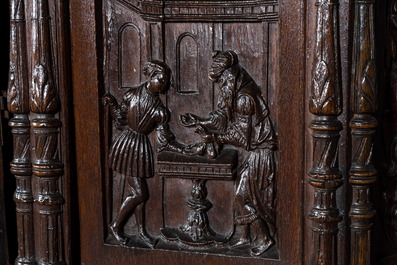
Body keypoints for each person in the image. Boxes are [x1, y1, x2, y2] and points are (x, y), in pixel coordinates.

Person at [180, 51, 277, 256]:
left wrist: (215, 139)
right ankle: (245, 236)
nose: (221, 87)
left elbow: (242, 138)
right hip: (255, 154)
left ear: (230, 76)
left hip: (261, 154)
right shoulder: (236, 88)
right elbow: (222, 118)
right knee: (241, 193)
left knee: (242, 195)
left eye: (222, 81)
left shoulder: (244, 98)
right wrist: (199, 121)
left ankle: (265, 238)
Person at [103, 60, 186, 248]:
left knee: (139, 193)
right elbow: (121, 118)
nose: (164, 85)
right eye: (161, 80)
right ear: (151, 76)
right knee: (140, 193)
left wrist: (183, 149)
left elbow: (165, 139)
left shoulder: (160, 111)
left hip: (140, 148)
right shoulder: (131, 95)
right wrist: (111, 104)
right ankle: (115, 226)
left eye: (166, 82)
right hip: (127, 145)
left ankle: (141, 232)